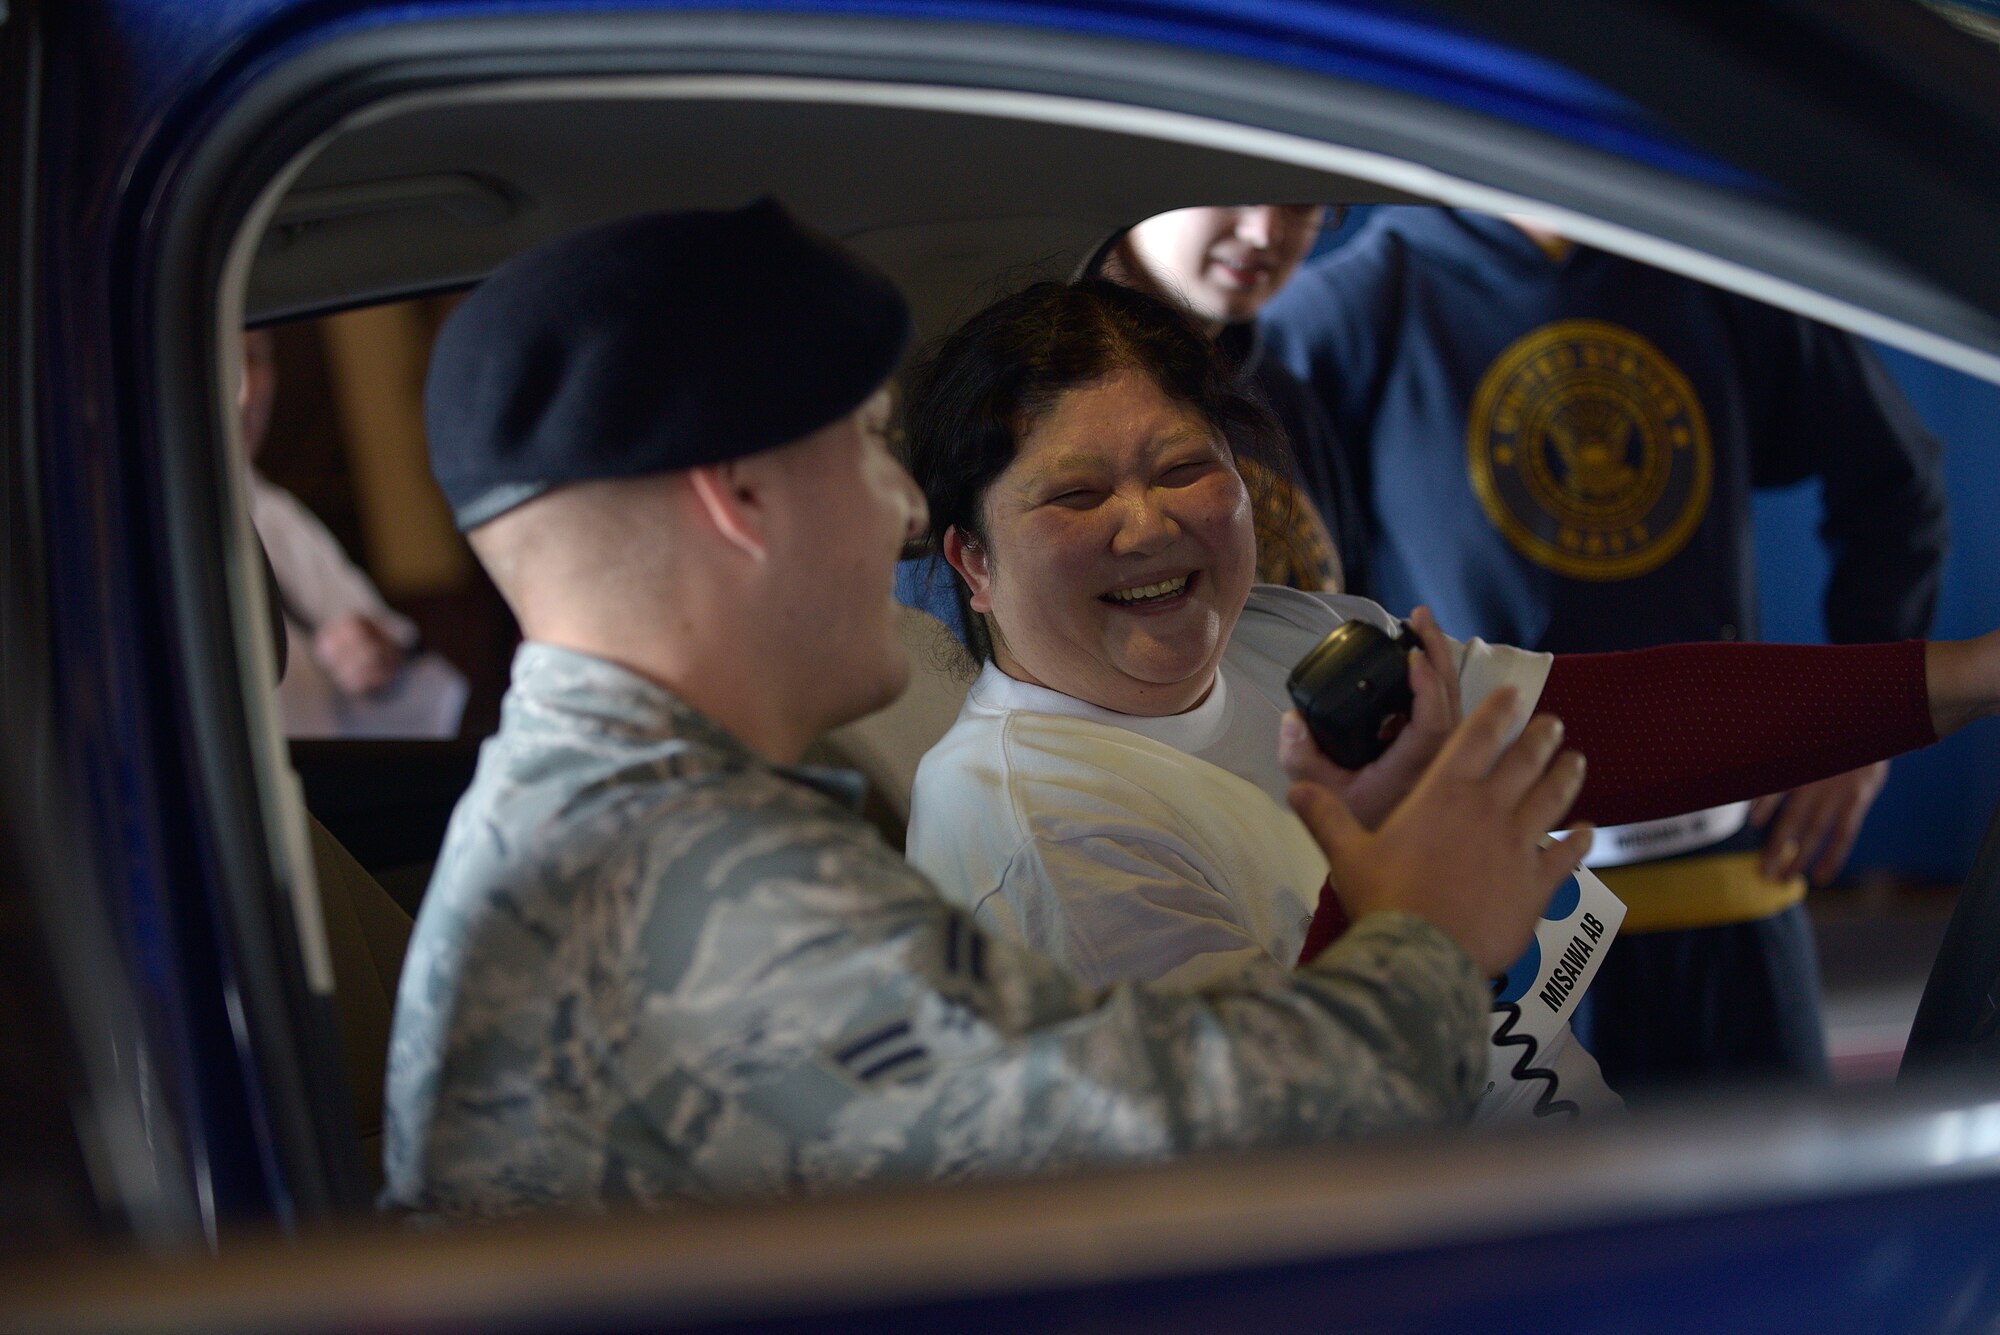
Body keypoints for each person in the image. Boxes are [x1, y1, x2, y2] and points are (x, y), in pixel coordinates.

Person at [381, 201, 1599, 1222]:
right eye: (865, 445)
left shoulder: (618, 813)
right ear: (740, 496)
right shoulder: (683, 873)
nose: (905, 510)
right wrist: (1430, 927)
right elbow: (1202, 1154)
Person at [896, 279, 1982, 1116]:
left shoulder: (1290, 634)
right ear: (972, 562)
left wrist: (1973, 672)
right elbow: (1270, 1146)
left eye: (1184, 466)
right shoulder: (1035, 832)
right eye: (1076, 494)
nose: (1147, 524)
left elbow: (1588, 726)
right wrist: (1386, 890)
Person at [1259, 207, 1950, 1094]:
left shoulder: (1709, 266)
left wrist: (1864, 734)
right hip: (1500, 908)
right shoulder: (1350, 308)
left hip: (1731, 891)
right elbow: (1297, 599)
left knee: (1781, 1218)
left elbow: (1899, 485)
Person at [1097, 204, 1368, 594]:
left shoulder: (1280, 394)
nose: (1265, 233)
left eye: (1301, 203)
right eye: (1232, 192)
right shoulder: (1056, 393)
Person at [239, 328, 467, 738]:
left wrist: (383, 674)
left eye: (255, 357)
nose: (248, 392)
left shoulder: (276, 515)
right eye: (221, 358)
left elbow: (424, 710)